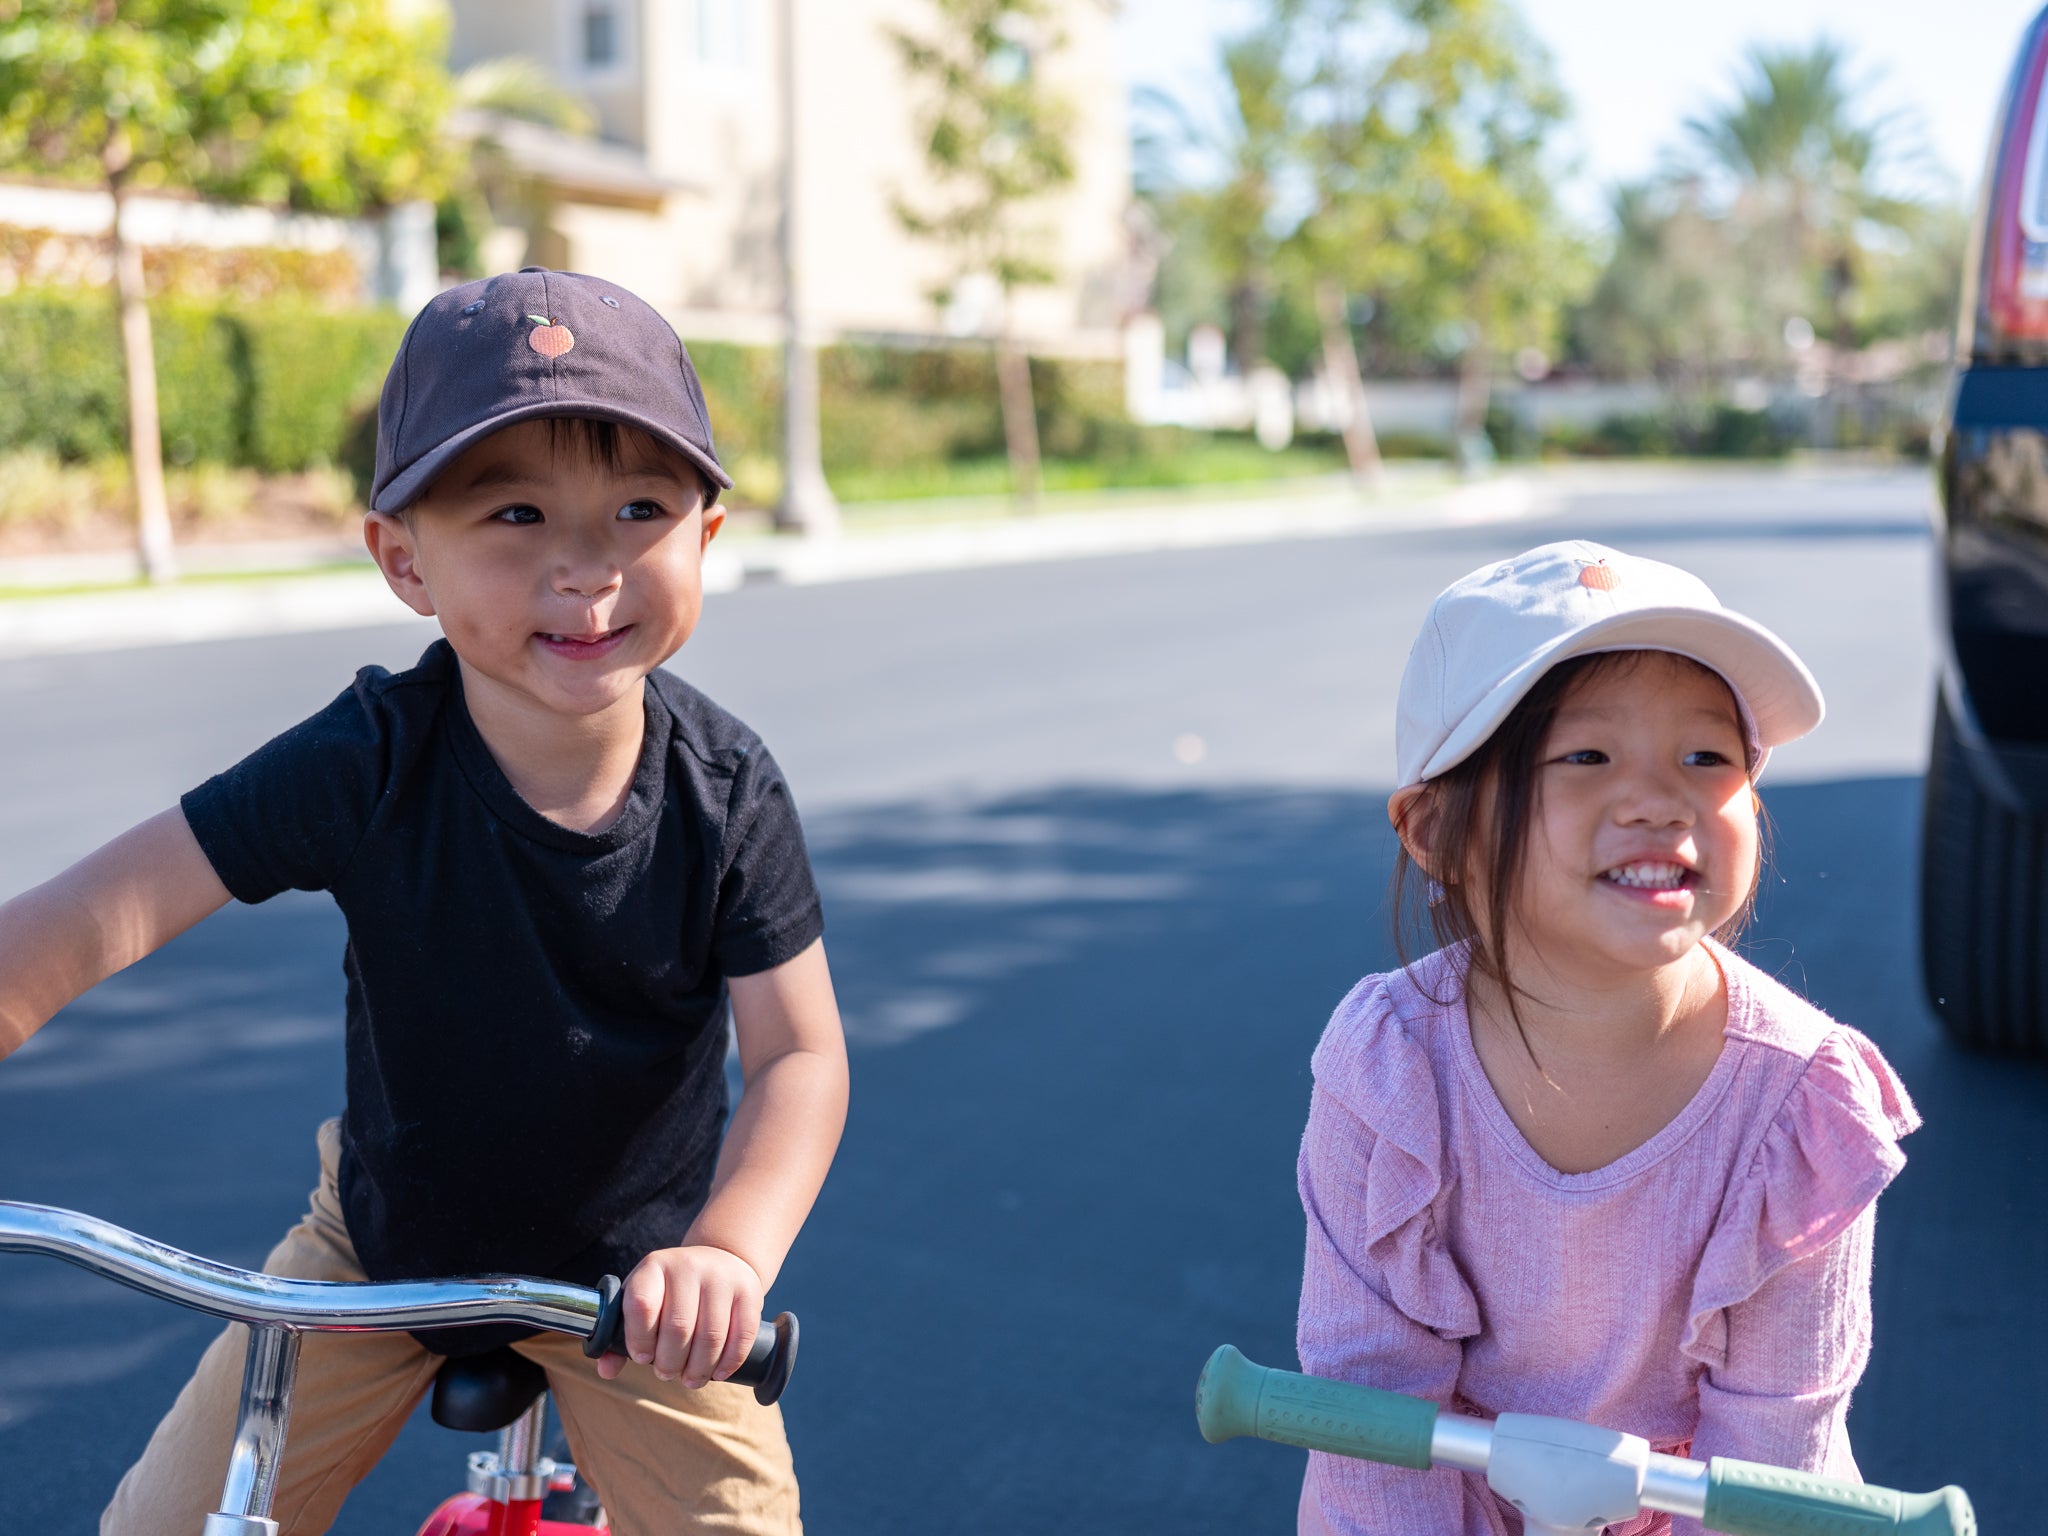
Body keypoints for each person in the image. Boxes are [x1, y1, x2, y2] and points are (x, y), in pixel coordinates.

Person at [0, 268, 849, 1536]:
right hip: (380, 1251)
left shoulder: (725, 791)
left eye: (639, 508)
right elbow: (95, 914)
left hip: (637, 1295)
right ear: (404, 561)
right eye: (514, 512)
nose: (586, 567)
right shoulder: (367, 759)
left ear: (705, 538)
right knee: (169, 1526)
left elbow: (797, 1055)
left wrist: (728, 1253)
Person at [1295, 541, 1919, 1536]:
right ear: (1434, 833)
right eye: (1584, 756)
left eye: (1705, 756)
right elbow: (1370, 1417)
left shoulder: (1801, 1107)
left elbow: (1772, 1453)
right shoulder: (1388, 1067)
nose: (1656, 798)